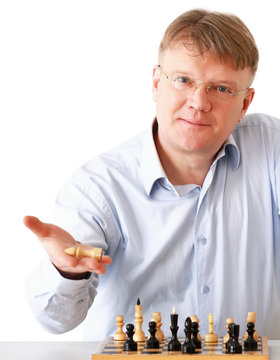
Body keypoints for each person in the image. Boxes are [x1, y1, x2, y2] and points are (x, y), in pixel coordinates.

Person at [24, 9, 280, 340]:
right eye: (184, 80)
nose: (199, 102)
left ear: (245, 103)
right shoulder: (99, 187)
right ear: (158, 83)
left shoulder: (270, 146)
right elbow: (55, 320)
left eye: (221, 88)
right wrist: (67, 272)